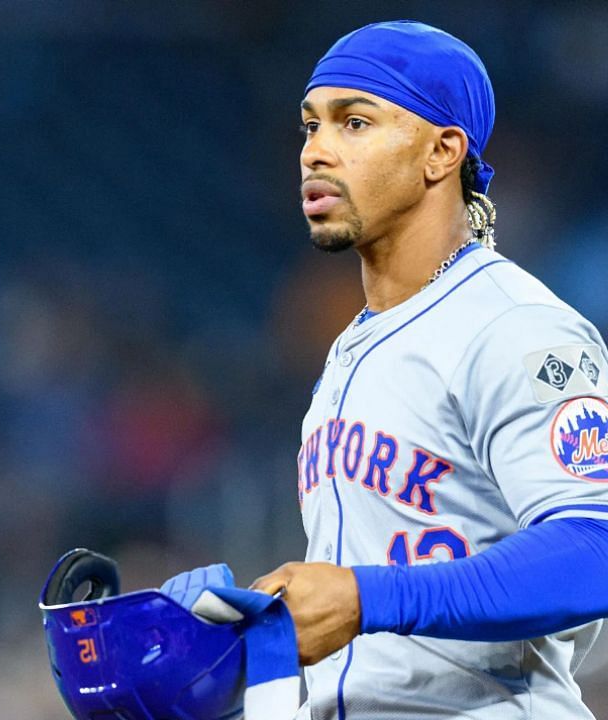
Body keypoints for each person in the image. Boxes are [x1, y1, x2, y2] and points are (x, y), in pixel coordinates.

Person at [166, 20, 608, 719]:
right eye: (311, 126)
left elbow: (595, 547)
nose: (315, 151)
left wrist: (370, 598)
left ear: (441, 151)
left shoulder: (517, 326)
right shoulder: (350, 348)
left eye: (355, 122)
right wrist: (237, 642)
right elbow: (370, 623)